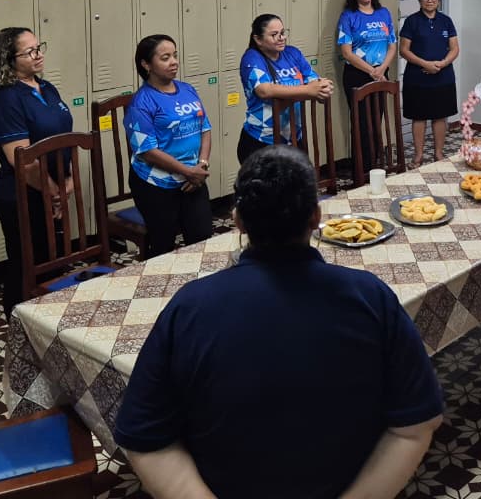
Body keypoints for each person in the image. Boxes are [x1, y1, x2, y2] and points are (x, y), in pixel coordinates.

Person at [115, 146, 444, 499]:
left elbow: (145, 437)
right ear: (316, 217)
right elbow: (416, 424)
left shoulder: (189, 307)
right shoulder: (370, 297)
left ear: (238, 221)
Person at [0, 28, 73, 319]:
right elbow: (21, 159)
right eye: (30, 51)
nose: (39, 54)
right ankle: (19, 328)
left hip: (51, 191)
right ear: (9, 60)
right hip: (21, 196)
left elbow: (62, 139)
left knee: (54, 265)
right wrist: (53, 192)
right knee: (27, 268)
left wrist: (67, 181)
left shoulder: (46, 88)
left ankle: (50, 327)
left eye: (39, 47)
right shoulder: (6, 100)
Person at [126, 35, 214, 258]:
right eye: (165, 58)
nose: (174, 62)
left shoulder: (187, 89)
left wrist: (201, 165)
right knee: (163, 248)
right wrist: (188, 172)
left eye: (175, 55)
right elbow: (147, 151)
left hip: (193, 178)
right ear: (146, 65)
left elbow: (205, 128)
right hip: (156, 184)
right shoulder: (141, 102)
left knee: (203, 240)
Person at [238, 13, 334, 165]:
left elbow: (314, 81)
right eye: (274, 35)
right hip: (262, 140)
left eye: (282, 33)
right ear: (258, 39)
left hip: (293, 138)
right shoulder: (252, 58)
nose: (281, 38)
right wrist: (308, 91)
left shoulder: (292, 53)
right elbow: (264, 90)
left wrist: (322, 89)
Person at [338, 0, 397, 162]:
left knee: (376, 119)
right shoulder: (349, 16)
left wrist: (382, 69)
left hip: (381, 72)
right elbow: (347, 52)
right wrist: (373, 72)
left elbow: (392, 45)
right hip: (358, 74)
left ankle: (375, 163)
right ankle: (362, 168)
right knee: (361, 123)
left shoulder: (383, 13)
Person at [399, 0, 460, 168]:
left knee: (440, 116)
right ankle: (418, 156)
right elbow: (404, 50)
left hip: (443, 76)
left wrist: (443, 63)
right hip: (417, 78)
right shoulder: (412, 21)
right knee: (419, 117)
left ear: (438, 0)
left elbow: (455, 48)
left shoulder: (446, 21)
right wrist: (425, 64)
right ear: (420, 1)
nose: (430, 0)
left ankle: (438, 153)